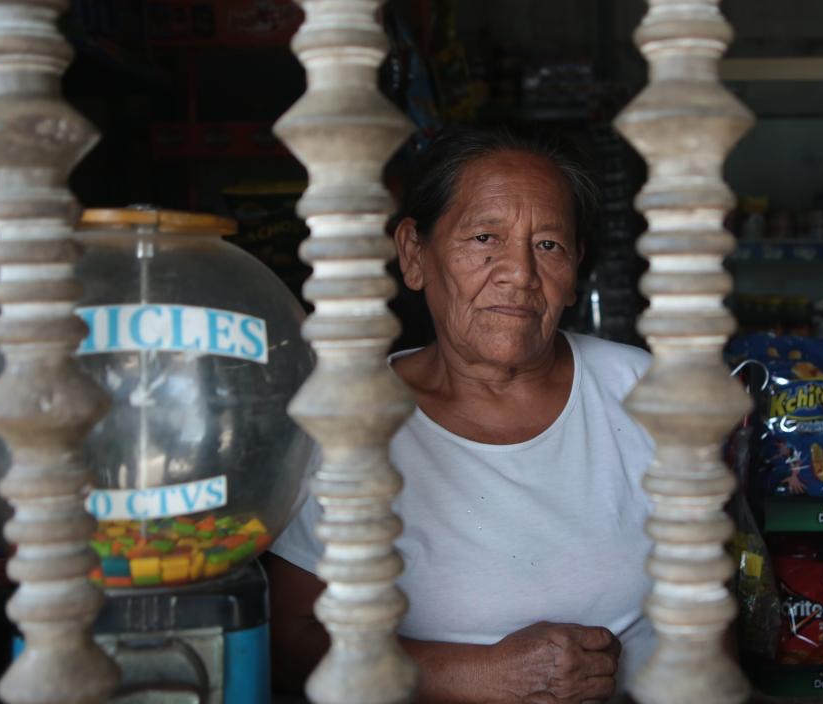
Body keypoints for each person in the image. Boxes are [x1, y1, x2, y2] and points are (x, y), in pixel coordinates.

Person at [265, 128, 655, 703]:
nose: (518, 272)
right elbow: (288, 634)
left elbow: (714, 603)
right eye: (484, 237)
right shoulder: (348, 418)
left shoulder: (643, 392)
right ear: (414, 255)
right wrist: (473, 677)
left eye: (548, 245)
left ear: (575, 275)